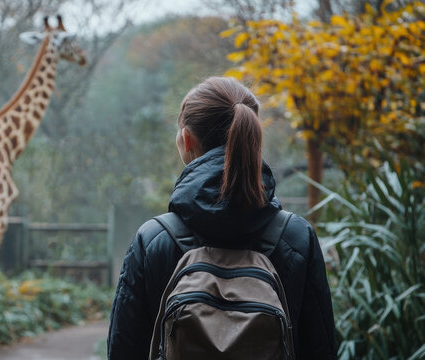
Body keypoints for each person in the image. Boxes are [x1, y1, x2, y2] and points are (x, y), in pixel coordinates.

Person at [107, 77, 336, 359]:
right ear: (252, 137)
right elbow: (320, 348)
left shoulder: (154, 240)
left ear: (186, 139)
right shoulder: (296, 237)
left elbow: (124, 350)